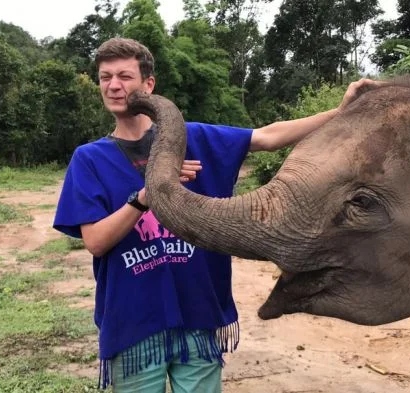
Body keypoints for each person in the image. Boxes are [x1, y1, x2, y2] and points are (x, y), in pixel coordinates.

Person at [53, 37, 380, 393]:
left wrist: (342, 112)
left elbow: (267, 137)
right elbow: (96, 242)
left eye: (125, 76)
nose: (114, 86)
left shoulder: (192, 138)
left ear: (148, 85)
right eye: (105, 77)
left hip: (198, 312)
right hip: (133, 321)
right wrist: (148, 195)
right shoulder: (89, 159)